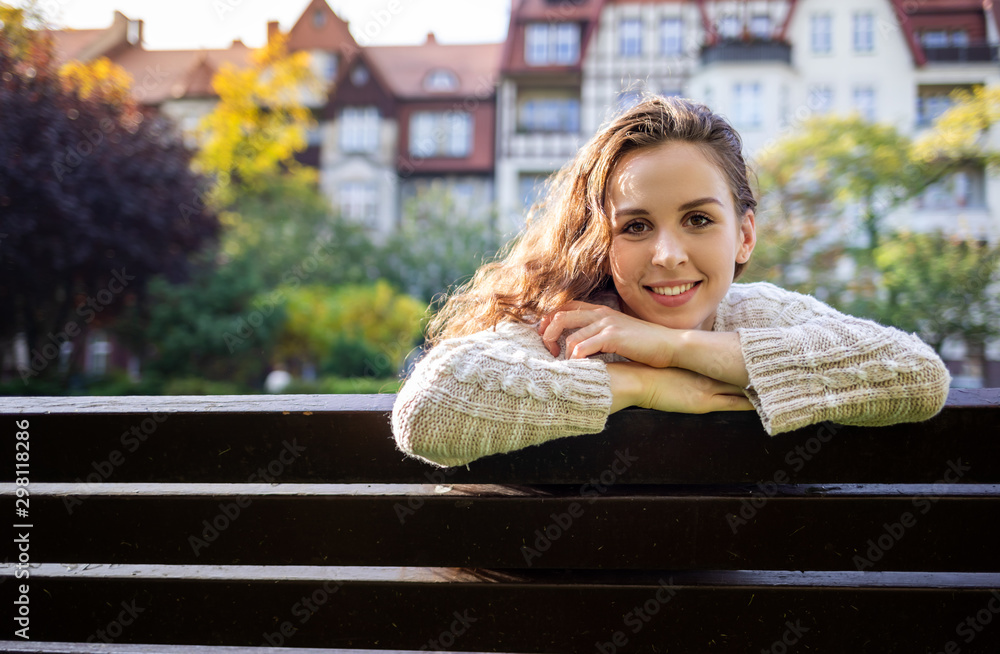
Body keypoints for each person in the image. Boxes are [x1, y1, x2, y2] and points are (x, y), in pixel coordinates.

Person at [391, 95, 951, 468]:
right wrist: (644, 384)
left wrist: (674, 346)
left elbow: (918, 376)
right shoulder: (571, 325)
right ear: (601, 243)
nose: (667, 255)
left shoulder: (758, 313)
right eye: (636, 226)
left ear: (745, 236)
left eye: (698, 219)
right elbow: (429, 411)